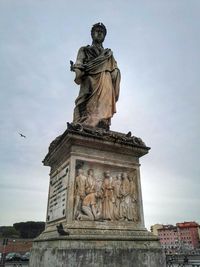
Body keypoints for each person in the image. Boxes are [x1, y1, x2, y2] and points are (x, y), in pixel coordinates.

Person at [71, 23, 121, 129]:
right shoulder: (84, 49)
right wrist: (77, 69)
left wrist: (116, 72)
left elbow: (114, 67)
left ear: (104, 36)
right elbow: (79, 62)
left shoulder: (108, 53)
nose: (99, 33)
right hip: (90, 78)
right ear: (92, 34)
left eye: (102, 32)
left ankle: (102, 121)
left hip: (106, 77)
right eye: (97, 31)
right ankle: (88, 121)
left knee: (105, 102)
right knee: (89, 103)